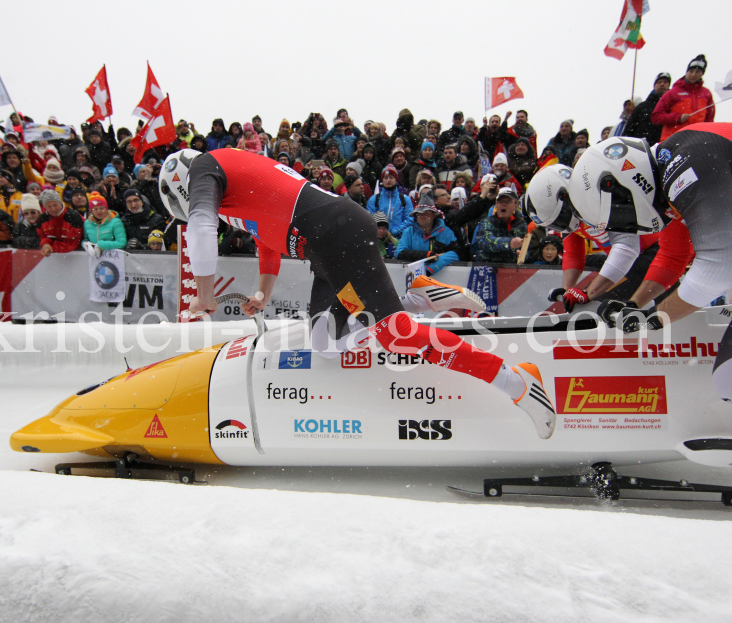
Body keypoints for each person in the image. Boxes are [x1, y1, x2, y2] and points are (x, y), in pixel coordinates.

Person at [161, 147, 556, 438]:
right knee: (325, 343)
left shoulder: (205, 167)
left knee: (393, 333)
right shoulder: (230, 187)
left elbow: (199, 229)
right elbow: (265, 241)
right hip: (327, 251)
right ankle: (416, 297)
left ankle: (517, 383)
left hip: (336, 235)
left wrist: (205, 292)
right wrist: (264, 294)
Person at [569, 124, 732, 463]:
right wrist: (634, 305)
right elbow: (674, 257)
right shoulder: (669, 177)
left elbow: (721, 263)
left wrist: (654, 320)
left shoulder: (689, 157)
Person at [524, 164, 693, 313]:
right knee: (604, 305)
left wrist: (589, 293)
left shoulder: (600, 200)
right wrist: (568, 290)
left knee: (604, 306)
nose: (562, 226)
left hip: (654, 254)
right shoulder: (571, 220)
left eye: (560, 218)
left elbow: (627, 248)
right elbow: (573, 254)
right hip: (633, 261)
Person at [652, 55, 715, 141]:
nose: (693, 74)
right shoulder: (673, 92)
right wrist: (678, 118)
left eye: (697, 71)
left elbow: (709, 120)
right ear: (686, 72)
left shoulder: (706, 94)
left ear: (702, 74)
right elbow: (656, 117)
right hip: (673, 140)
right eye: (691, 71)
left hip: (697, 141)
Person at [395, 194, 461, 277]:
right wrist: (426, 255)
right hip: (413, 277)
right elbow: (400, 253)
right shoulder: (408, 232)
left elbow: (456, 253)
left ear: (434, 215)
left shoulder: (446, 232)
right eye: (419, 213)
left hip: (441, 279)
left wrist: (432, 268)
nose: (422, 216)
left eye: (427, 212)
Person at [470, 188, 528, 263]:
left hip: (512, 269)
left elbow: (527, 248)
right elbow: (486, 242)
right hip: (488, 268)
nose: (503, 204)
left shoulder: (521, 224)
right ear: (496, 204)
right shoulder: (487, 222)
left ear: (515, 205)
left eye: (508, 202)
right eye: (500, 201)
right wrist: (509, 243)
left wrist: (523, 255)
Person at [623, 73, 671, 145]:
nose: (662, 84)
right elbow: (629, 130)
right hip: (642, 148)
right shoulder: (642, 107)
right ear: (654, 85)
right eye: (659, 82)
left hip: (666, 147)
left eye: (665, 82)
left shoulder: (672, 106)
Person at [366, 165, 414, 237]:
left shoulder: (405, 199)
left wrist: (395, 231)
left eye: (391, 177)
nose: (388, 180)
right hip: (379, 239)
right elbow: (369, 219)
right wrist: (381, 231)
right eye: (385, 178)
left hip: (399, 239)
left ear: (396, 179)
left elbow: (409, 219)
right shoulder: (374, 199)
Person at [35, 190, 84, 256]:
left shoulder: (73, 216)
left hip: (76, 255)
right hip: (56, 256)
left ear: (61, 203)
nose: (53, 209)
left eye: (55, 205)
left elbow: (73, 243)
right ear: (45, 207)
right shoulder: (42, 219)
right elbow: (42, 236)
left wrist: (51, 248)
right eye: (49, 206)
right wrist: (45, 244)